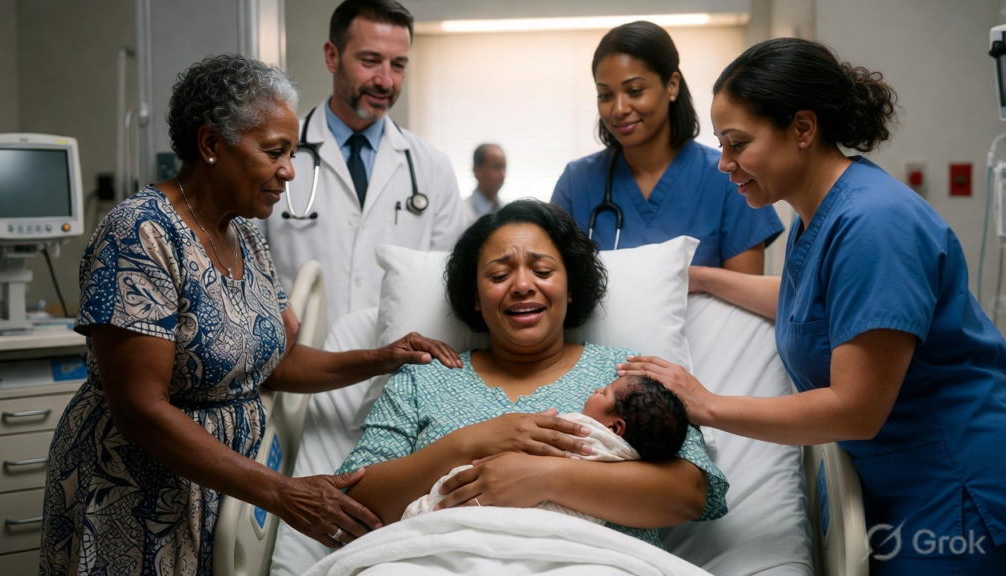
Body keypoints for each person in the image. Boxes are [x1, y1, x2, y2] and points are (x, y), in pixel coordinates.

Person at [39, 54, 462, 576]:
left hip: (227, 491)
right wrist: (284, 493)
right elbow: (141, 408)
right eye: (274, 152)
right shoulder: (141, 233)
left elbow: (275, 365)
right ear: (211, 144)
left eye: (291, 152)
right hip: (137, 497)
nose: (288, 169)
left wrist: (382, 358)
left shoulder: (245, 238)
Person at [618, 38, 1006, 574]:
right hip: (901, 483)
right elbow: (812, 304)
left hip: (956, 484)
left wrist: (705, 404)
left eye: (737, 144)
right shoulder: (817, 213)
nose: (724, 163)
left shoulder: (874, 224)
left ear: (802, 129)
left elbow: (855, 408)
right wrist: (704, 278)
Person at [336, 200, 727, 550]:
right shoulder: (423, 379)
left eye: (541, 270)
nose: (523, 285)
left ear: (570, 287)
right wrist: (469, 442)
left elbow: (688, 493)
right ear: (475, 296)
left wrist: (546, 476)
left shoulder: (627, 373)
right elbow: (351, 504)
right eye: (498, 275)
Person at [260, 0, 466, 331]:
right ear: (332, 56)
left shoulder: (432, 168)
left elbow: (447, 280)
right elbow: (242, 260)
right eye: (370, 61)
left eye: (398, 65)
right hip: (299, 364)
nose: (386, 81)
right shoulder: (272, 152)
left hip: (395, 366)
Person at [550, 21, 783, 270]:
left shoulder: (731, 176)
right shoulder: (577, 183)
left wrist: (692, 279)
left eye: (635, 90)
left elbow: (745, 299)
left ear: (672, 85)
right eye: (605, 95)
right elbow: (552, 282)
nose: (618, 109)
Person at [402, 375, 690, 523]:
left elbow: (689, 495)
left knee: (439, 506)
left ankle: (421, 517)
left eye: (604, 393)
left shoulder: (579, 429)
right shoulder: (631, 460)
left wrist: (544, 472)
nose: (595, 391)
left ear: (615, 429)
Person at [463, 143, 507, 223]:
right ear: (476, 170)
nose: (502, 175)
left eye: (504, 167)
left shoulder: (507, 211)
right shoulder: (461, 211)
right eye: (496, 167)